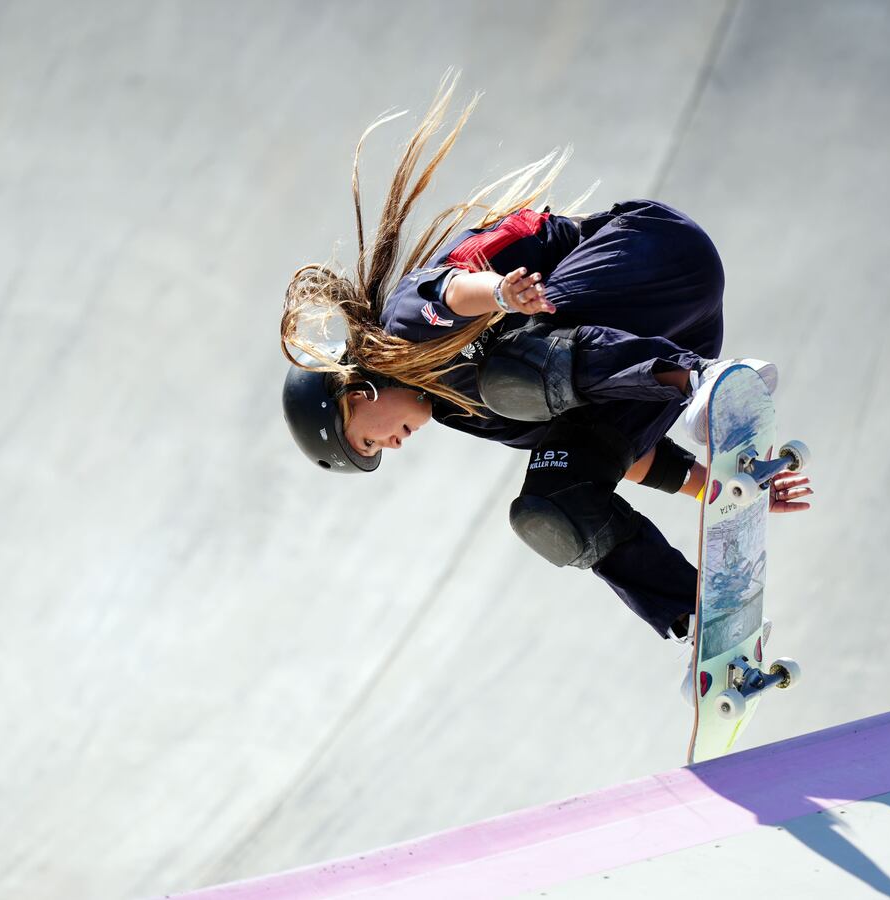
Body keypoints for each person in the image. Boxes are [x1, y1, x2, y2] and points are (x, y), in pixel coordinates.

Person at [280, 77, 813, 702]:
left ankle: (698, 381)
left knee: (511, 375)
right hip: (675, 333)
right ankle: (705, 626)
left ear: (356, 395)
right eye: (375, 457)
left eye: (367, 442)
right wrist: (724, 488)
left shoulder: (400, 327)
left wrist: (502, 295)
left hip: (654, 256)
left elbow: (450, 292)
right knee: (554, 501)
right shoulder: (468, 413)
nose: (388, 449)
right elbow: (618, 451)